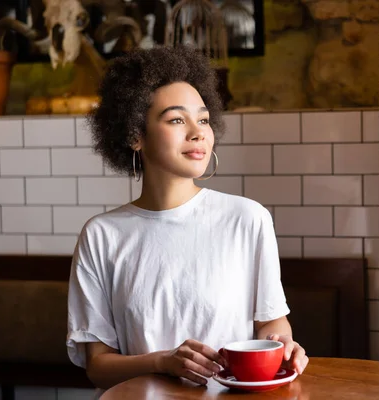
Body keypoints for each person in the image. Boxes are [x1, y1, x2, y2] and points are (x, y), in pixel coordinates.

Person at [66, 45, 309, 392]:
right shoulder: (102, 236)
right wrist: (161, 362)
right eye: (177, 119)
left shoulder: (247, 219)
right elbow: (98, 366)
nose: (198, 132)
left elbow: (272, 324)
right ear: (135, 134)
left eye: (204, 119)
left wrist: (282, 345)